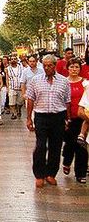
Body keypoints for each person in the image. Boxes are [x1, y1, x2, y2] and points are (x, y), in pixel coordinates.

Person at [26, 54, 71, 188]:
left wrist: (67, 119)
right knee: (40, 146)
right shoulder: (35, 80)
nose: (47, 68)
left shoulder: (63, 81)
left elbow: (67, 101)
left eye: (49, 65)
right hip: (41, 116)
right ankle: (39, 174)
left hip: (58, 116)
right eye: (44, 65)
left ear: (54, 66)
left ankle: (51, 173)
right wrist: (29, 118)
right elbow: (30, 99)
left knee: (55, 146)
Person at [61, 58, 87, 183]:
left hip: (83, 119)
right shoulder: (63, 83)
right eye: (72, 67)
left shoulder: (85, 84)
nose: (74, 70)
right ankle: (66, 161)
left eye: (76, 67)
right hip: (69, 118)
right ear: (68, 68)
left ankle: (80, 173)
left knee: (81, 145)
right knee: (70, 144)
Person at [6, 53, 24, 119]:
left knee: (20, 102)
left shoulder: (21, 67)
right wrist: (8, 88)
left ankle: (18, 109)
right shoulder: (8, 69)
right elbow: (7, 78)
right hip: (12, 87)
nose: (13, 60)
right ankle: (13, 113)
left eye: (14, 59)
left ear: (17, 60)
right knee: (11, 102)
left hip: (20, 87)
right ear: (10, 61)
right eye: (12, 59)